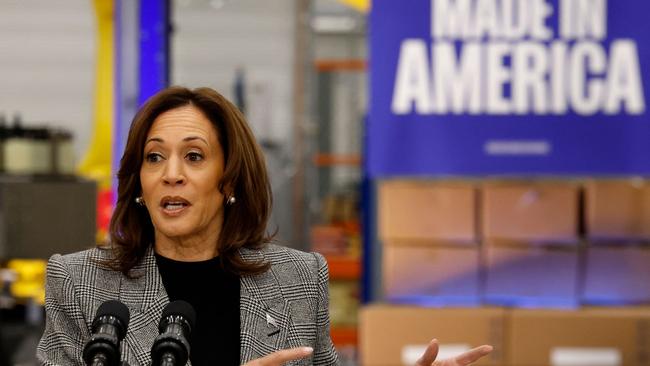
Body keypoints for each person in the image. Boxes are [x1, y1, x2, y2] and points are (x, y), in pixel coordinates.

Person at [36, 86, 492, 365]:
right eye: (154, 157)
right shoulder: (80, 283)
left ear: (229, 180)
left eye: (193, 156)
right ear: (139, 182)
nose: (170, 173)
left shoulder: (297, 279)